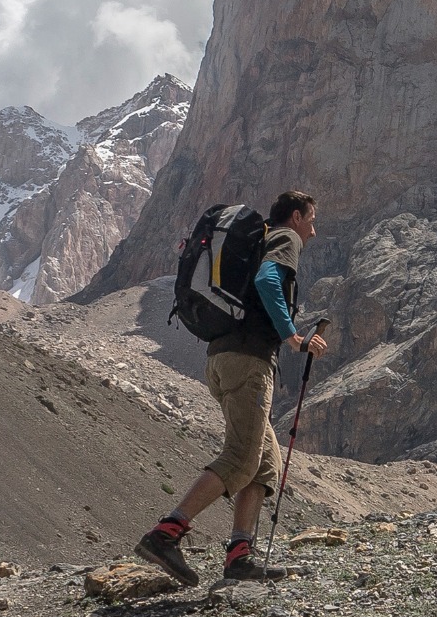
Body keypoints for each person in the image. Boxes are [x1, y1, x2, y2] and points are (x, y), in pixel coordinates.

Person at [135, 190, 329, 584]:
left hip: (222, 360)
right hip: (248, 362)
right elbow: (268, 278)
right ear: (295, 216)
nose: (313, 229)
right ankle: (166, 533)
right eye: (311, 219)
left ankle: (239, 557)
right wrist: (293, 337)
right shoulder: (285, 237)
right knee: (242, 457)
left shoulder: (260, 239)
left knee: (264, 464)